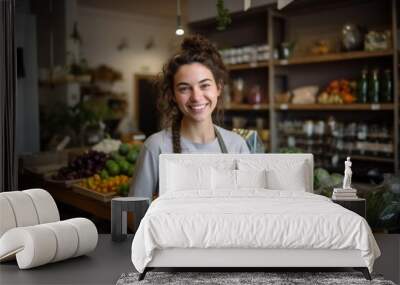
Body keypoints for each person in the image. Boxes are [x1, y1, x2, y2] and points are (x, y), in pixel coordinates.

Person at [129, 34, 250, 199]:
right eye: (184, 88)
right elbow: (135, 214)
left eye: (205, 85)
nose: (196, 97)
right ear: (172, 94)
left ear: (218, 88)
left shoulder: (237, 146)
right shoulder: (156, 147)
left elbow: (248, 208)